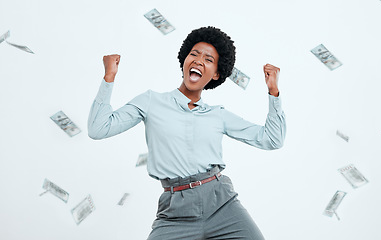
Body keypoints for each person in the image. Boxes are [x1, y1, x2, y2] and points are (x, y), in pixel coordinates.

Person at [88, 26, 286, 240]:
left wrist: (273, 91)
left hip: (222, 205)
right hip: (175, 213)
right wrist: (109, 77)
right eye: (194, 54)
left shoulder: (217, 115)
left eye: (209, 59)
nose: (199, 61)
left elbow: (272, 139)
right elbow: (98, 129)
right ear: (184, 60)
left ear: (216, 74)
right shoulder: (151, 101)